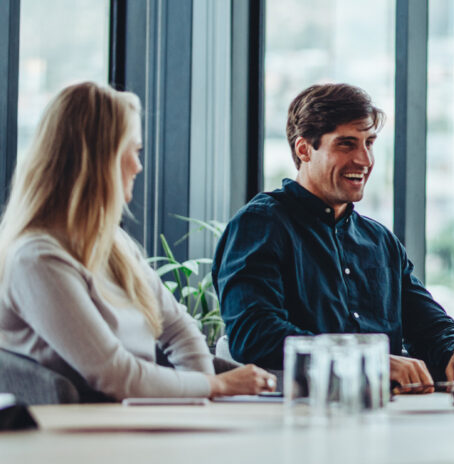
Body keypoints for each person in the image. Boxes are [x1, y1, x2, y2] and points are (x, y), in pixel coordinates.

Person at [0, 82, 275, 401]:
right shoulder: (37, 260)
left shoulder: (112, 243)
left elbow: (178, 328)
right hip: (81, 436)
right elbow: (115, 375)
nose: (139, 166)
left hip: (133, 419)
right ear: (100, 160)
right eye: (134, 151)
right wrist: (217, 385)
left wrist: (202, 399)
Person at [213, 83, 454, 392]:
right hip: (296, 418)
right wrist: (367, 360)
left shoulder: (380, 241)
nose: (365, 160)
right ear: (304, 150)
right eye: (346, 144)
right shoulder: (261, 224)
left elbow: (428, 324)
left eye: (369, 143)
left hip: (387, 416)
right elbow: (255, 335)